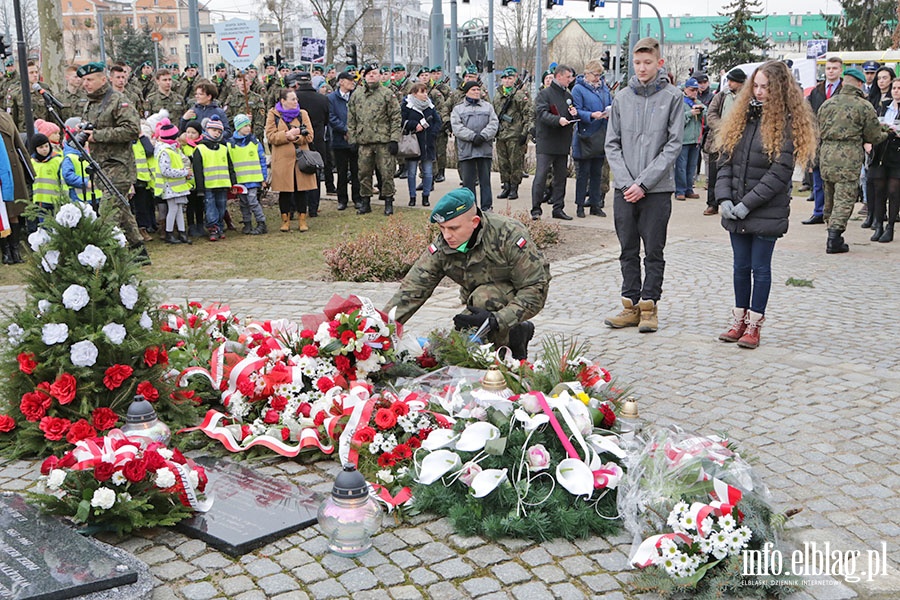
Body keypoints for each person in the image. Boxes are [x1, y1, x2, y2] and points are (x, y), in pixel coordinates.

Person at [713, 60, 817, 349]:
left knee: (760, 268)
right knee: (739, 266)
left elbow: (779, 172)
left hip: (765, 210)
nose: (759, 92)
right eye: (756, 86)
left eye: (766, 87)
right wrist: (723, 198)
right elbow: (725, 162)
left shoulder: (786, 122)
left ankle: (754, 324)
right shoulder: (741, 117)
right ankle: (738, 319)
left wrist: (747, 204)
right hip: (735, 205)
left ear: (779, 89)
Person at [385, 187, 550, 360]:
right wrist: (377, 329)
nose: (447, 235)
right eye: (442, 228)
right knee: (464, 333)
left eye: (453, 228)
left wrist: (498, 320)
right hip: (475, 299)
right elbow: (412, 289)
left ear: (475, 221)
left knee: (484, 300)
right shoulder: (443, 246)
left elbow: (535, 289)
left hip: (508, 296)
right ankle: (515, 334)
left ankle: (503, 357)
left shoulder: (508, 234)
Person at [603, 37, 683, 333]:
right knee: (627, 248)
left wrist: (644, 184)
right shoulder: (622, 97)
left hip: (656, 190)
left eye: (647, 62)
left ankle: (649, 305)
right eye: (637, 63)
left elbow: (673, 145)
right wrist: (626, 183)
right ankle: (630, 304)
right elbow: (612, 144)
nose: (642, 68)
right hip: (624, 190)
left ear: (659, 63)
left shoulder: (673, 97)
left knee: (653, 250)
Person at [78, 62, 147, 259]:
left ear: (103, 79)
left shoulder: (118, 101)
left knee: (107, 215)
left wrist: (97, 135)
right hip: (101, 166)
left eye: (90, 79)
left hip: (119, 166)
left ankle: (108, 258)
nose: (86, 84)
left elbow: (132, 130)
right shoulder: (90, 103)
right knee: (122, 211)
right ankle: (139, 252)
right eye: (84, 80)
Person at [818, 67, 887, 254]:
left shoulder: (827, 104)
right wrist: (886, 132)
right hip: (848, 157)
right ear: (858, 84)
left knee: (830, 196)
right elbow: (873, 135)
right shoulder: (863, 106)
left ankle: (830, 228)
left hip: (826, 155)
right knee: (845, 198)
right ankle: (834, 238)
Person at [347, 64, 401, 216]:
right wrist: (352, 139)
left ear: (379, 75)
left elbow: (396, 117)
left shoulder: (387, 94)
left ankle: (389, 202)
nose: (371, 76)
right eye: (368, 73)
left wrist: (394, 139)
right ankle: (365, 203)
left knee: (387, 173)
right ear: (364, 76)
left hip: (383, 141)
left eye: (374, 73)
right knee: (363, 173)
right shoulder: (357, 94)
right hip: (364, 142)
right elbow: (351, 118)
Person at [530, 65, 578, 221]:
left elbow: (570, 114)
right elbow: (542, 114)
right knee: (541, 175)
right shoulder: (544, 94)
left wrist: (573, 115)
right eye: (568, 77)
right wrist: (558, 120)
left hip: (562, 142)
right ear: (559, 77)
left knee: (561, 177)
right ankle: (536, 209)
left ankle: (558, 208)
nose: (571, 80)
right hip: (546, 142)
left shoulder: (567, 95)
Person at [265, 88, 317, 232]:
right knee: (285, 191)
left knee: (302, 190)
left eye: (296, 99)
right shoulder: (273, 114)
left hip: (301, 158)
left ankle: (302, 220)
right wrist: (286, 135)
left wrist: (297, 137)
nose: (296, 102)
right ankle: (285, 221)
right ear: (283, 101)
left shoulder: (302, 114)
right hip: (282, 159)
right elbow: (270, 136)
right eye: (292, 99)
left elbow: (310, 136)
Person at [802, 56, 842, 225]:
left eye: (834, 68)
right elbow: (808, 114)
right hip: (818, 141)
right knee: (818, 180)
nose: (830, 71)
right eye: (828, 68)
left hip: (837, 142)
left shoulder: (844, 90)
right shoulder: (816, 91)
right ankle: (818, 211)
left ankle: (834, 213)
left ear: (840, 70)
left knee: (835, 181)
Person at [571, 60, 612, 218]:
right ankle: (580, 205)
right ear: (587, 74)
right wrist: (590, 115)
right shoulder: (578, 89)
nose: (598, 78)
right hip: (586, 136)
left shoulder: (604, 89)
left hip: (601, 134)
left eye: (600, 75)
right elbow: (576, 111)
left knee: (598, 173)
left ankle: (595, 204)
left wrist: (609, 112)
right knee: (583, 173)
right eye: (595, 75)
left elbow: (610, 103)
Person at [703, 68, 746, 216]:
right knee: (714, 173)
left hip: (739, 141)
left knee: (735, 173)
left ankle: (733, 202)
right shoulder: (721, 96)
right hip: (718, 141)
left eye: (732, 81)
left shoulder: (747, 98)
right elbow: (711, 114)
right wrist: (723, 127)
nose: (729, 83)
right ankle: (712, 203)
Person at [451, 81, 499, 212]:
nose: (477, 92)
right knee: (468, 183)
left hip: (484, 149)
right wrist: (472, 136)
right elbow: (457, 127)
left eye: (478, 89)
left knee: (485, 181)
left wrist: (483, 136)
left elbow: (494, 123)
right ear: (466, 92)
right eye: (473, 90)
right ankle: (471, 208)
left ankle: (487, 207)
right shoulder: (458, 109)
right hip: (467, 151)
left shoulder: (488, 107)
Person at [293, 71, 330, 218]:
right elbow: (326, 119)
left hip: (298, 142)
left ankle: (297, 206)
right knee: (315, 174)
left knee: (298, 174)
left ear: (297, 84)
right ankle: (313, 208)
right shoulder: (322, 99)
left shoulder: (294, 99)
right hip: (318, 141)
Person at [867, 77, 900, 243]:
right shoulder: (883, 107)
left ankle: (890, 227)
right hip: (880, 152)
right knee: (878, 190)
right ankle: (878, 224)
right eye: (894, 88)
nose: (896, 91)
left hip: (897, 153)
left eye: (899, 88)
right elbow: (872, 125)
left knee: (894, 191)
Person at [191, 115, 234, 241]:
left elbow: (230, 166)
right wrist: (200, 188)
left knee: (221, 207)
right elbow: (197, 170)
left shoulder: (223, 148)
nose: (216, 133)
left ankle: (219, 226)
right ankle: (212, 227)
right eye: (214, 130)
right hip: (208, 185)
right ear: (207, 130)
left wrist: (233, 182)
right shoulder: (200, 148)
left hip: (222, 184)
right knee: (210, 208)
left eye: (219, 131)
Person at [862, 66, 895, 230]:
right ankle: (871, 214)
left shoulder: (893, 99)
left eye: (884, 78)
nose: (881, 81)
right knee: (870, 181)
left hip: (889, 146)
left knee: (885, 183)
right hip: (872, 146)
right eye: (879, 78)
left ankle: (881, 217)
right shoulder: (871, 98)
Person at [492, 67, 532, 201]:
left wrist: (525, 133)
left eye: (510, 78)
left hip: (515, 134)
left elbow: (528, 114)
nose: (507, 81)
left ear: (515, 79)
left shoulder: (519, 95)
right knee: (503, 163)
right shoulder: (498, 95)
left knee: (515, 163)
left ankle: (514, 187)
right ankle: (506, 185)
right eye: (504, 78)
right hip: (501, 134)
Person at [152, 117, 193, 244]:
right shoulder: (165, 151)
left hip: (177, 186)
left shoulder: (172, 149)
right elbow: (166, 170)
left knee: (179, 208)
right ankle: (169, 233)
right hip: (170, 186)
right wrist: (184, 172)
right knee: (173, 209)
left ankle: (182, 232)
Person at [227, 113, 268, 235]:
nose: (248, 128)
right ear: (238, 127)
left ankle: (261, 223)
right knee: (243, 203)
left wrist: (264, 178)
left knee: (253, 201)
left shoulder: (255, 142)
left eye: (248, 125)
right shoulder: (230, 144)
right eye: (244, 126)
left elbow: (262, 161)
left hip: (254, 179)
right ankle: (247, 223)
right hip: (240, 181)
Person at [401, 83, 441, 207]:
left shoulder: (430, 106)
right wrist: (413, 125)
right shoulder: (407, 105)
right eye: (422, 92)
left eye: (426, 92)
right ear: (414, 93)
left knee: (428, 172)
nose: (425, 95)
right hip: (413, 143)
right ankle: (412, 197)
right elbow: (401, 121)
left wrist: (432, 133)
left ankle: (426, 196)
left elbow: (437, 121)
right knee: (411, 172)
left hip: (427, 143)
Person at [328, 72, 361, 211]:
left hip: (356, 140)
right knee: (341, 172)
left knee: (356, 171)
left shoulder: (357, 96)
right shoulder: (331, 98)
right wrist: (345, 130)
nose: (352, 83)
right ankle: (342, 199)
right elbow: (331, 117)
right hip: (339, 140)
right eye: (349, 80)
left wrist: (353, 131)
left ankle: (357, 198)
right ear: (341, 82)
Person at [675, 77, 706, 201]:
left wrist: (702, 111)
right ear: (685, 89)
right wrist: (689, 114)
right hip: (683, 140)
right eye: (692, 90)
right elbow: (677, 121)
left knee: (692, 167)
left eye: (696, 90)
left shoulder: (698, 102)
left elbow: (707, 118)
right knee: (681, 166)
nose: (694, 92)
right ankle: (680, 190)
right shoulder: (680, 103)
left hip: (695, 140)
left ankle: (689, 189)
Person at [178, 120, 205, 237]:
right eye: (188, 132)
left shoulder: (202, 146)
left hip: (200, 181)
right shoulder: (183, 147)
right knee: (190, 205)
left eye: (193, 132)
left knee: (200, 205)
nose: (190, 135)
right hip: (188, 181)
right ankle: (191, 226)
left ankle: (200, 224)